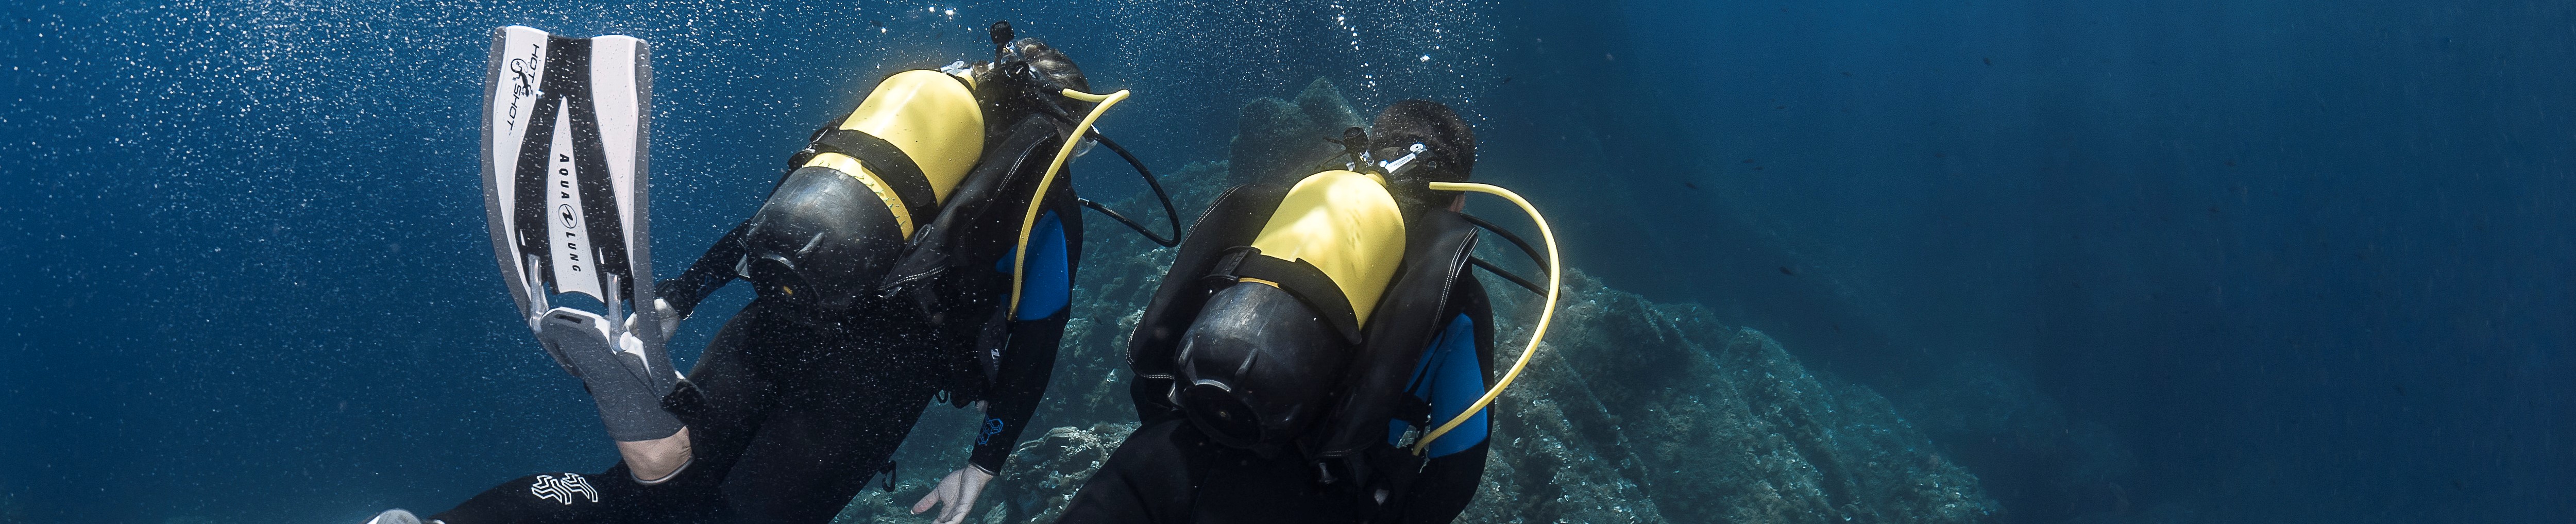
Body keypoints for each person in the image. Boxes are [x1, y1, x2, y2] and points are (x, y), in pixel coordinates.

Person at [374, 22, 1145, 524]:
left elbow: (771, 219)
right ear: (1065, 126)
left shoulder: (889, 143)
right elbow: (1037, 340)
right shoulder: (1043, 200)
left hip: (773, 321)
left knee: (631, 495)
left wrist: (678, 295)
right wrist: (985, 461)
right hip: (876, 381)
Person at [1056, 99, 1554, 523]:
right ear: (1460, 199)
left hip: (1165, 454)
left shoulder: (1273, 214)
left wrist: (1198, 424)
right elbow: (1457, 470)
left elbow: (1153, 347)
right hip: (1304, 497)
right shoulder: (1456, 292)